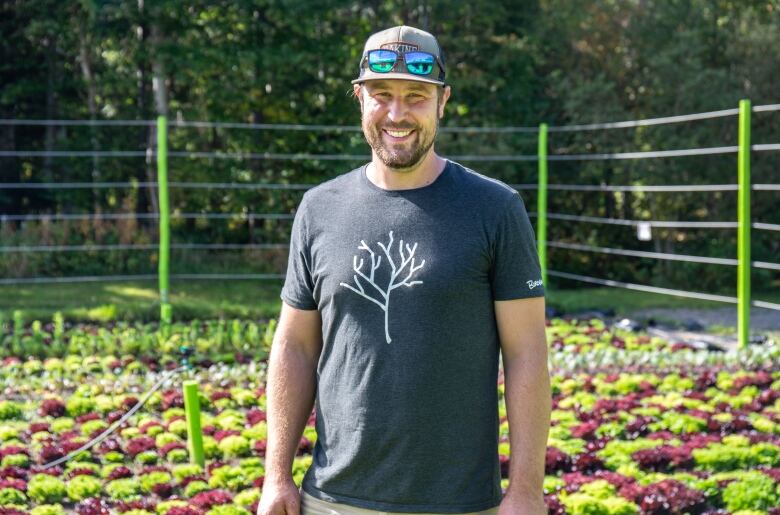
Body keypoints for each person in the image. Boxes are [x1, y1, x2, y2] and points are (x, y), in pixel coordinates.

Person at [258, 25, 550, 515]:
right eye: (382, 95)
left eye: (416, 96)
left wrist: (525, 492)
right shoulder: (318, 208)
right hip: (332, 499)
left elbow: (526, 354)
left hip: (459, 502)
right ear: (359, 98)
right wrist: (276, 477)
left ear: (443, 101)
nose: (397, 113)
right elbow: (295, 346)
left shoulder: (494, 208)